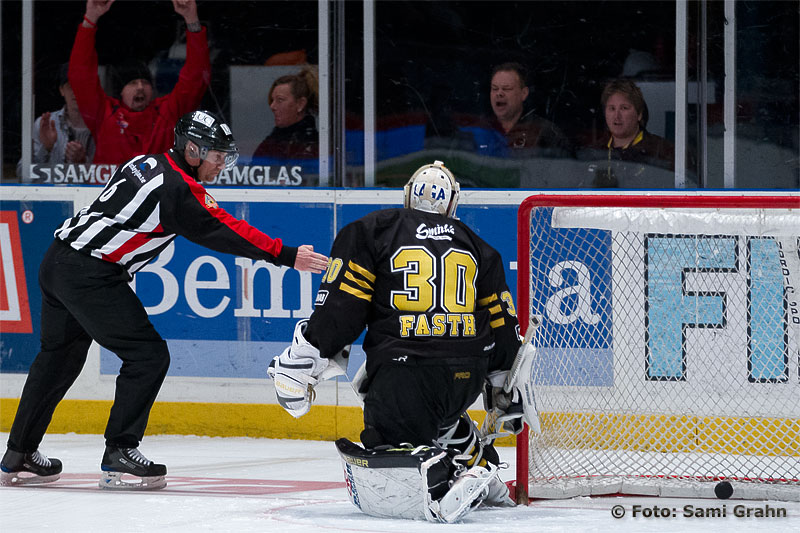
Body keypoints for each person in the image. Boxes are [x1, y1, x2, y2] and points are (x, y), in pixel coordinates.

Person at [0, 110, 329, 490]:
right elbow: (223, 230)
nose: (221, 165)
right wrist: (286, 255)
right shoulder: (178, 188)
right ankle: (120, 451)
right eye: (217, 157)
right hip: (90, 275)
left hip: (57, 261)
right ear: (193, 150)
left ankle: (19, 453)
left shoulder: (148, 163)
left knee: (57, 359)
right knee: (148, 356)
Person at [268, 161, 524, 523]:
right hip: (465, 376)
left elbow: (344, 306)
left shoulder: (374, 230)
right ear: (452, 205)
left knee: (388, 437)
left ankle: (436, 475)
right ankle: (480, 467)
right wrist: (504, 387)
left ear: (407, 196)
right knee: (439, 415)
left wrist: (308, 353)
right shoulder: (478, 246)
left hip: (405, 372)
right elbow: (502, 321)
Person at [68, 0, 210, 165]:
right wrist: (90, 20)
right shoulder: (104, 114)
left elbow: (196, 78)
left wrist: (191, 20)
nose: (140, 87)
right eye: (132, 83)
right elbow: (81, 77)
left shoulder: (167, 113)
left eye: (145, 82)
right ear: (120, 91)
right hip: (114, 191)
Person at [585, 78, 684, 187]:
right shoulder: (593, 153)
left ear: (639, 114)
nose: (617, 116)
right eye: (612, 109)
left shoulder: (663, 152)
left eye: (624, 108)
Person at [463, 62, 572, 159]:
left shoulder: (546, 134)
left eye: (507, 89)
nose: (499, 93)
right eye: (495, 88)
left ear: (523, 93)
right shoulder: (477, 130)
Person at [16, 63, 95, 175]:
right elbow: (22, 173)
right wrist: (46, 148)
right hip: (51, 192)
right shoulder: (45, 124)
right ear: (62, 90)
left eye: (81, 85)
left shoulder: (103, 125)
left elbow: (110, 175)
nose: (76, 92)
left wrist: (83, 163)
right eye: (70, 86)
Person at [251, 67, 319, 162]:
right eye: (272, 100)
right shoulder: (273, 141)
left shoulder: (309, 145)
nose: (272, 106)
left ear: (300, 104)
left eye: (280, 100)